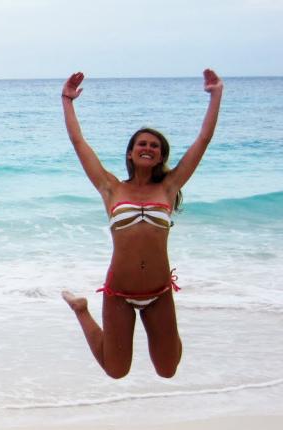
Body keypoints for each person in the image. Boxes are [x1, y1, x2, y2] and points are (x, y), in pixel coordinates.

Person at [60, 70, 223, 378]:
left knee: (167, 370)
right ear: (130, 153)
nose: (148, 148)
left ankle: (166, 333)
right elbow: (78, 142)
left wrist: (216, 95)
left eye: (155, 146)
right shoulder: (111, 188)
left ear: (161, 156)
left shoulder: (169, 186)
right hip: (119, 292)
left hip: (159, 292)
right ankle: (81, 310)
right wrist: (67, 100)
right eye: (142, 144)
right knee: (116, 370)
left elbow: (203, 139)